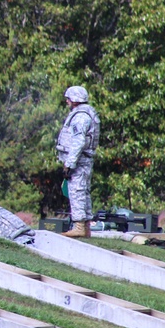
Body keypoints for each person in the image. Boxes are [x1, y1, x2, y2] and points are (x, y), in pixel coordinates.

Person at [56, 85, 100, 238]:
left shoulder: (80, 117)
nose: (66, 101)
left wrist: (69, 163)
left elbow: (78, 141)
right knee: (84, 191)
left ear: (74, 100)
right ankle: (85, 227)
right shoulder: (87, 113)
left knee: (77, 192)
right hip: (83, 160)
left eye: (68, 98)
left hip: (79, 161)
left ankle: (79, 226)